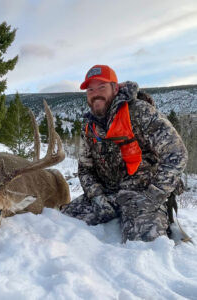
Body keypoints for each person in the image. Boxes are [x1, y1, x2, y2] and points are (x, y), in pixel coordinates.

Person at [61, 65, 188, 243]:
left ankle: (164, 216)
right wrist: (97, 197)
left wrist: (154, 195)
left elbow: (176, 153)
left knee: (143, 244)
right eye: (90, 89)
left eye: (101, 87)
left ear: (115, 88)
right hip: (108, 194)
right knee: (62, 219)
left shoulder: (139, 112)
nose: (95, 93)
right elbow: (85, 170)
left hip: (142, 192)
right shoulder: (89, 127)